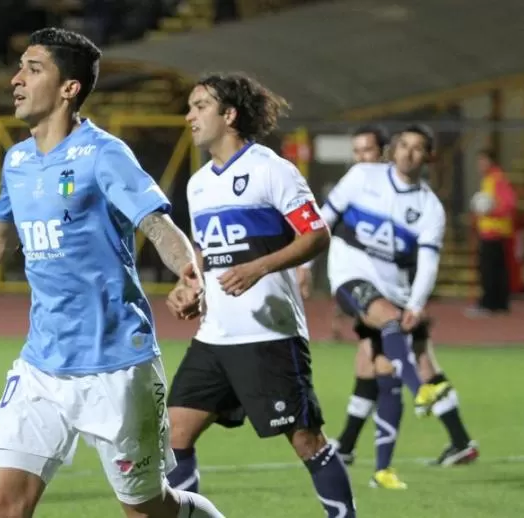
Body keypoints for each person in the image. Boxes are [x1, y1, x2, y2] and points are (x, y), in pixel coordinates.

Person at [0, 28, 226, 518]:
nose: (16, 80)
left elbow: (156, 224)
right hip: (42, 365)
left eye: (33, 69)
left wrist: (189, 273)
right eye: (19, 68)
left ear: (68, 88)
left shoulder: (104, 153)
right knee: (4, 503)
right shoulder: (18, 160)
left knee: (147, 509)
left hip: (115, 364)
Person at [161, 72, 356, 517]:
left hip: (268, 335)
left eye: (200, 106)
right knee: (175, 434)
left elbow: (316, 234)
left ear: (229, 115)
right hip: (214, 337)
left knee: (306, 440)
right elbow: (207, 254)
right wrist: (189, 287)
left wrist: (258, 267)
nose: (189, 115)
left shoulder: (271, 169)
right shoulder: (198, 184)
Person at [298, 126, 479, 470]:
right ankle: (420, 412)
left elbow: (428, 263)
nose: (409, 153)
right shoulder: (361, 178)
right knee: (386, 349)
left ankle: (454, 438)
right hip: (356, 282)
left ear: (428, 157)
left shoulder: (429, 208)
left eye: (418, 148)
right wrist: (304, 263)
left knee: (390, 360)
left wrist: (415, 303)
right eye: (405, 146)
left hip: (396, 293)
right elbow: (324, 219)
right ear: (394, 150)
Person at [467, 148, 517, 317]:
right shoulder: (489, 180)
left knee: (489, 270)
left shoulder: (497, 179)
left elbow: (509, 204)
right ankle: (500, 304)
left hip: (495, 232)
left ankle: (489, 304)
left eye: (482, 161)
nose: (479, 165)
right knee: (497, 270)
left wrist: (491, 210)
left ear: (490, 161)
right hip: (490, 231)